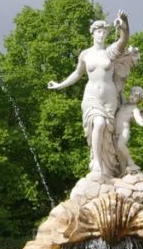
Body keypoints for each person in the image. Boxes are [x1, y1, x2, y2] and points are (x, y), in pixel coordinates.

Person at [48, 10, 132, 177]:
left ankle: (108, 169)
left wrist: (124, 24)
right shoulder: (85, 54)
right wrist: (60, 85)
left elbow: (124, 40)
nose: (101, 35)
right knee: (98, 124)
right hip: (91, 97)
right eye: (98, 31)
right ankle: (96, 164)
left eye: (105, 32)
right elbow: (78, 74)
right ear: (93, 33)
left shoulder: (110, 52)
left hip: (109, 98)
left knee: (108, 136)